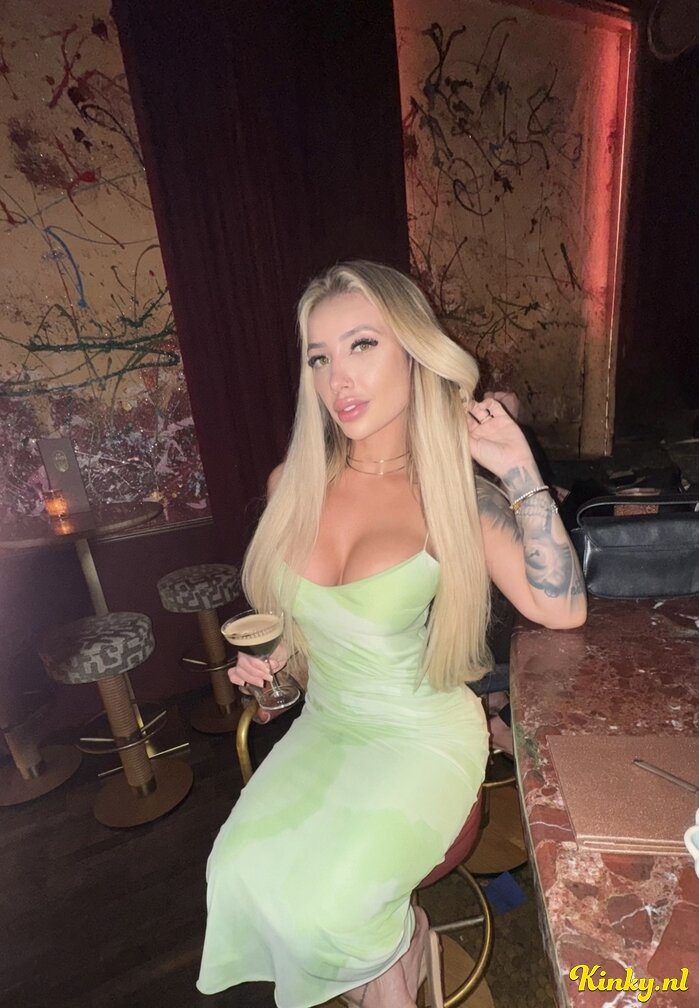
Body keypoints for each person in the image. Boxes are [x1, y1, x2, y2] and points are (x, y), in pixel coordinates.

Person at [196, 260, 586, 1008]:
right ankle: (398, 949)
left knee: (333, 909)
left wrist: (517, 468)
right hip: (328, 727)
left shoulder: (453, 497)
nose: (338, 377)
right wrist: (276, 673)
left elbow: (561, 608)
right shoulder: (291, 486)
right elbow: (305, 645)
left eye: (362, 345)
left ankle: (396, 961)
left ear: (415, 351)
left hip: (419, 737)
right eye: (320, 357)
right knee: (234, 872)